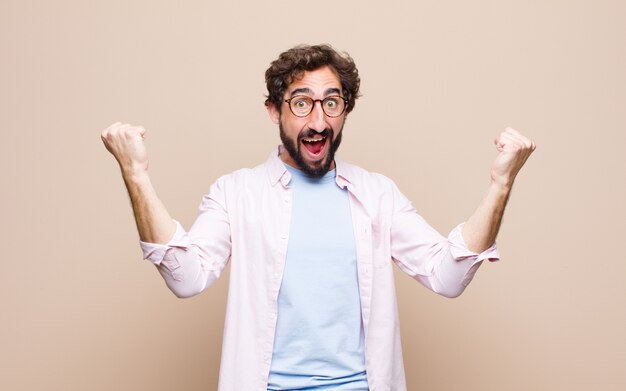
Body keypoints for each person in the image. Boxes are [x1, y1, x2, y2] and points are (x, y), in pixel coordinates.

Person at [101, 44, 535, 391]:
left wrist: (501, 185)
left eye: (332, 102)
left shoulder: (376, 193)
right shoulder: (236, 193)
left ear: (344, 111)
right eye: (302, 102)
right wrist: (135, 174)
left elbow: (449, 276)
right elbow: (186, 277)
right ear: (275, 110)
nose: (318, 119)